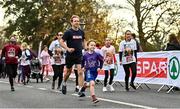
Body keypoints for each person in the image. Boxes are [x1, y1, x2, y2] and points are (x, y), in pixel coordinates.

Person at [59, 15, 86, 96]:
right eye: (75, 21)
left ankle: (80, 90)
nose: (77, 22)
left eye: (78, 21)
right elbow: (61, 41)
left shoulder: (81, 32)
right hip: (70, 55)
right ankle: (64, 83)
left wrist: (85, 46)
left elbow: (84, 40)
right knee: (68, 72)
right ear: (71, 22)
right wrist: (67, 48)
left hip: (78, 55)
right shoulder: (68, 32)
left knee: (80, 72)